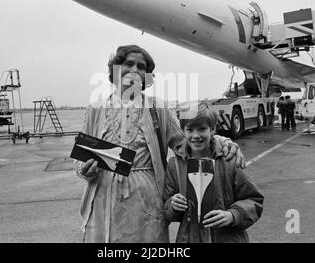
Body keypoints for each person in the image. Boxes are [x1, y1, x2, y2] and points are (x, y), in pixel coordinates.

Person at [75, 45, 246, 243]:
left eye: (141, 66)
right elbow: (81, 155)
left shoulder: (158, 108)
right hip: (103, 197)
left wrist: (221, 140)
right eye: (128, 63)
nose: (135, 70)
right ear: (114, 69)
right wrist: (84, 169)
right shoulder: (95, 109)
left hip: (146, 200)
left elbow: (186, 142)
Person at [163, 101, 264, 243]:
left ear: (212, 129)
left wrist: (232, 215)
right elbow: (165, 208)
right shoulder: (175, 165)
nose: (195, 135)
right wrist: (172, 205)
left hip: (227, 238)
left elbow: (254, 200)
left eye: (202, 129)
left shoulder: (229, 159)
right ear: (183, 131)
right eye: (190, 130)